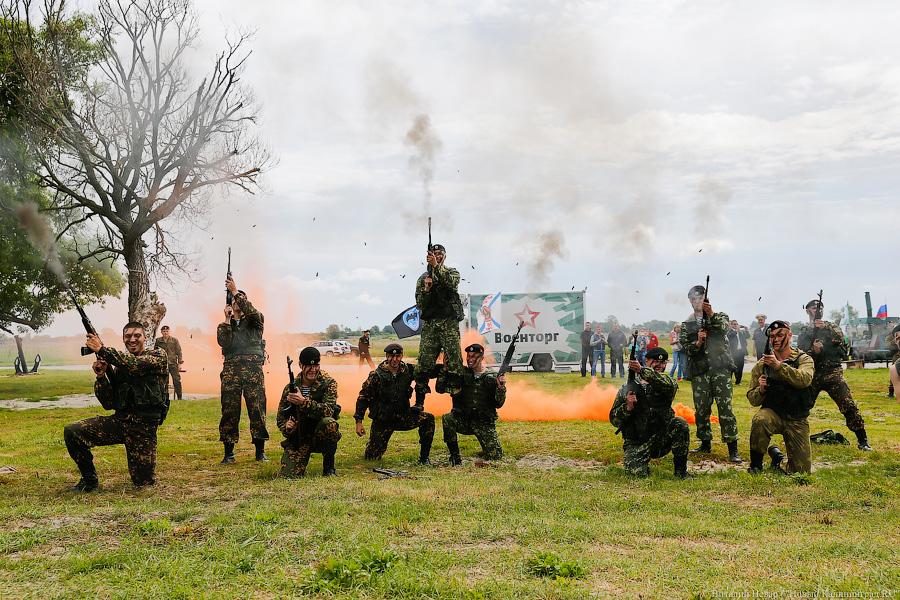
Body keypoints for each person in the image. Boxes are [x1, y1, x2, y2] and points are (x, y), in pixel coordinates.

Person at [63, 322, 169, 491]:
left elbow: (134, 365)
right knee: (73, 430)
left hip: (143, 427)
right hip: (120, 422)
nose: (132, 340)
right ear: (123, 339)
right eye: (128, 337)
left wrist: (102, 350)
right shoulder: (121, 367)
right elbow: (108, 403)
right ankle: (89, 480)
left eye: (137, 336)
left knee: (143, 483)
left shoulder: (157, 356)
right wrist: (101, 377)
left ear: (145, 338)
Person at [797, 299, 871, 450]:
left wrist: (827, 328)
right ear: (807, 311)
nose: (818, 310)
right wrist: (814, 351)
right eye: (814, 307)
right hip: (813, 374)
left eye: (820, 307)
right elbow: (801, 354)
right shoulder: (805, 331)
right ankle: (796, 438)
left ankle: (862, 440)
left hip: (833, 372)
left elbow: (843, 345)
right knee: (801, 406)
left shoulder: (832, 327)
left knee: (848, 405)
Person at [680, 284, 741, 463]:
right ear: (690, 302)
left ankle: (733, 448)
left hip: (720, 369)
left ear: (706, 299)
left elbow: (723, 329)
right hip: (700, 371)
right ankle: (705, 443)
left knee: (725, 409)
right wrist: (697, 343)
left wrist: (711, 314)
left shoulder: (720, 316)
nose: (696, 301)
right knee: (701, 410)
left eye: (700, 298)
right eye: (693, 299)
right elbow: (686, 348)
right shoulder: (687, 324)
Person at [746, 320, 815, 474]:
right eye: (772, 336)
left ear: (790, 335)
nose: (775, 339)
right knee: (760, 419)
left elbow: (804, 379)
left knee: (801, 472)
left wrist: (779, 366)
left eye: (780, 335)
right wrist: (761, 390)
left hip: (797, 418)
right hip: (774, 414)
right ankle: (756, 465)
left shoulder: (803, 359)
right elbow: (752, 398)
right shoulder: (762, 365)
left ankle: (778, 459)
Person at [609, 348, 690, 478]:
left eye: (663, 363)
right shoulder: (629, 387)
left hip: (661, 439)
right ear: (646, 361)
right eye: (655, 361)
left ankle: (681, 472)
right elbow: (614, 419)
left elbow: (661, 381)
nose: (660, 365)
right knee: (637, 475)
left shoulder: (667, 383)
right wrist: (627, 407)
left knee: (680, 424)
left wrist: (641, 370)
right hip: (638, 440)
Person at [354, 343, 435, 465]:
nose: (395, 359)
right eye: (391, 356)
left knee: (428, 419)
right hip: (383, 420)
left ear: (402, 356)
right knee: (372, 457)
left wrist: (419, 403)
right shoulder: (376, 375)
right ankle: (373, 443)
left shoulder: (408, 370)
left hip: (403, 416)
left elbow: (425, 374)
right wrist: (359, 421)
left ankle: (424, 458)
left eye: (398, 356)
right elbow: (364, 397)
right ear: (386, 356)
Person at [217, 276, 269, 464]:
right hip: (231, 371)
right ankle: (229, 452)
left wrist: (235, 291)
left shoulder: (255, 320)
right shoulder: (225, 324)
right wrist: (227, 319)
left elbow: (251, 310)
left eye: (240, 299)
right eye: (234, 300)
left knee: (256, 409)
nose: (237, 302)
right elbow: (224, 342)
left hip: (252, 370)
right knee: (229, 411)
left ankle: (260, 450)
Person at [413, 243, 465, 407]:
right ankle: (419, 403)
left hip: (449, 324)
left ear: (444, 256)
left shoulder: (452, 272)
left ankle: (456, 406)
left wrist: (436, 267)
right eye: (434, 253)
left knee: (455, 363)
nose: (437, 256)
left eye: (440, 253)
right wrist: (427, 290)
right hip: (431, 326)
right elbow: (420, 304)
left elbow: (451, 284)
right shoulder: (423, 278)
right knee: (423, 364)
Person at [277, 347, 341, 477]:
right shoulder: (290, 389)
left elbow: (328, 411)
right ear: (300, 365)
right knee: (288, 476)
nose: (313, 370)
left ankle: (329, 468)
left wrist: (303, 402)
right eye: (308, 366)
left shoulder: (329, 383)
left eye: (316, 365)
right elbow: (280, 416)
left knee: (329, 423)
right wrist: (287, 427)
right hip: (299, 437)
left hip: (320, 435)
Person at [439, 343, 507, 465]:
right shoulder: (462, 374)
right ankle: (455, 457)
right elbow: (440, 388)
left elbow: (499, 404)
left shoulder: (491, 377)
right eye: (468, 356)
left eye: (474, 356)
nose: (470, 359)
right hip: (464, 421)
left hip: (483, 423)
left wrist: (501, 388)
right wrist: (444, 370)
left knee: (496, 457)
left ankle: (487, 448)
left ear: (481, 358)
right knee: (447, 419)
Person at [154, 325, 184, 400]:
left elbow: (179, 352)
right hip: (163, 364)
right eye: (164, 331)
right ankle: (165, 398)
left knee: (176, 380)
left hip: (173, 364)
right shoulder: (158, 341)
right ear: (161, 332)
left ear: (169, 331)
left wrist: (179, 364)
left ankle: (179, 397)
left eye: (167, 331)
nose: (165, 332)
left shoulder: (174, 340)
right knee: (164, 381)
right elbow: (155, 352)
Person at [727, 320, 749, 385]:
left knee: (740, 367)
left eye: (736, 324)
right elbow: (729, 337)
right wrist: (736, 331)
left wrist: (746, 330)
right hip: (732, 353)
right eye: (734, 324)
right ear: (731, 325)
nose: (735, 325)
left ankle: (738, 381)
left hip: (741, 353)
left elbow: (748, 336)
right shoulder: (729, 332)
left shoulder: (741, 332)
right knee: (731, 367)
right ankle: (729, 381)